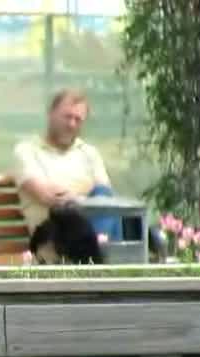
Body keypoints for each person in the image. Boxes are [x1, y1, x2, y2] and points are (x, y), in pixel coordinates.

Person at [12, 88, 122, 251]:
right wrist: (84, 194)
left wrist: (74, 197)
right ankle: (98, 253)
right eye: (67, 117)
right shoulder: (27, 151)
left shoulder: (88, 153)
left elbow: (105, 200)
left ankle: (96, 249)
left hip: (87, 228)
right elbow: (49, 196)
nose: (71, 124)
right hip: (53, 235)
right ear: (51, 114)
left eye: (78, 119)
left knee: (109, 201)